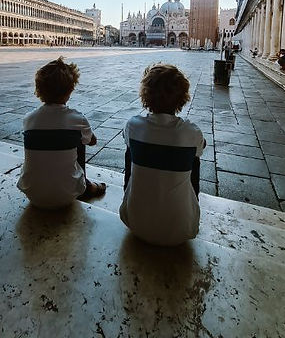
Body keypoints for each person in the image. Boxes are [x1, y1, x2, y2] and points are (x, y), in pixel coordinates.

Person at [120, 63, 206, 246]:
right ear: (182, 97)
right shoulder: (191, 131)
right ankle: (191, 205)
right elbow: (201, 147)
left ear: (145, 95)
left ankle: (129, 195)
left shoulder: (133, 125)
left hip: (135, 223)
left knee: (131, 151)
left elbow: (128, 141)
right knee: (194, 159)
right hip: (181, 230)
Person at [18, 57, 106, 209]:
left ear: (38, 90)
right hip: (68, 194)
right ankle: (86, 186)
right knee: (79, 138)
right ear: (70, 90)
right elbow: (92, 141)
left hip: (32, 194)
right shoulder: (77, 118)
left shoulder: (28, 118)